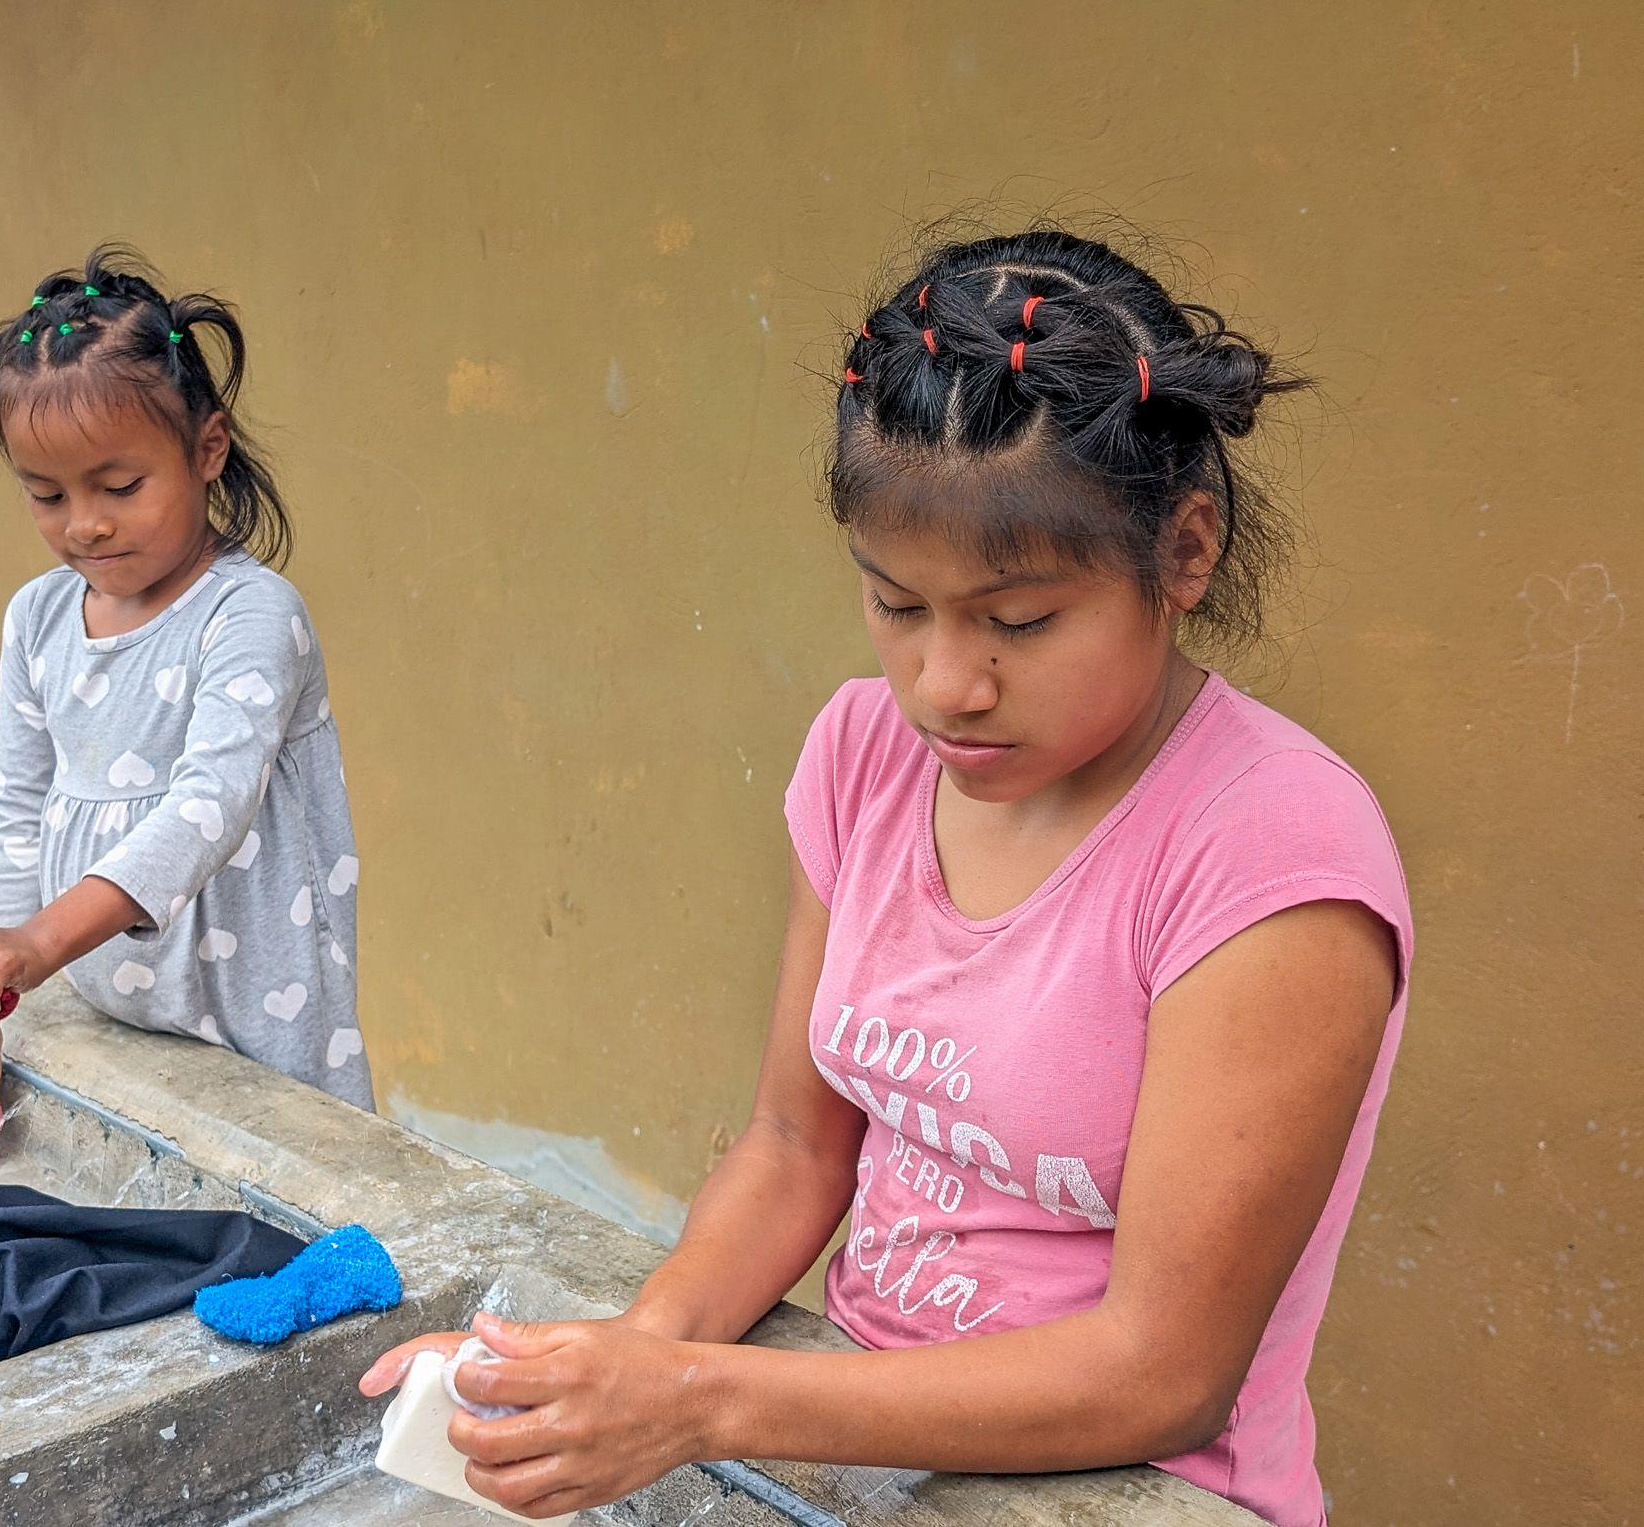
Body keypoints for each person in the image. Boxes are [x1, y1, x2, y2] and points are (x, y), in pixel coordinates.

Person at [360, 230, 1409, 1527]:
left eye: (1019, 621)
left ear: (1184, 553)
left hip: (1124, 1493)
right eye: (897, 606)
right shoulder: (864, 754)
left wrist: (700, 1397)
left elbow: (1163, 1372)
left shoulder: (1269, 852)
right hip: (853, 1443)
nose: (945, 685)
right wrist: (629, 1360)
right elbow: (800, 1143)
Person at [0, 246, 373, 1154]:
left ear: (207, 449)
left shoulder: (250, 613)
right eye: (45, 494)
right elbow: (18, 816)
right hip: (113, 1014)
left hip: (260, 1024)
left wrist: (35, 946)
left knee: (289, 1226)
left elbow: (206, 808)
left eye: (119, 487)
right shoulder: (37, 618)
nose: (84, 523)